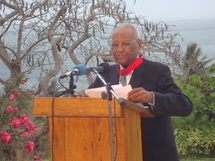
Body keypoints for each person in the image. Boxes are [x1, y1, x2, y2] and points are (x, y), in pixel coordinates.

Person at [80, 24, 193, 161]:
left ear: (139, 44)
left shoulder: (157, 71)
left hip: (152, 154)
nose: (119, 49)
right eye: (115, 45)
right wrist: (82, 101)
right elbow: (91, 100)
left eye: (126, 44)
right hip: (113, 152)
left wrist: (152, 97)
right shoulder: (106, 73)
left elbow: (184, 105)